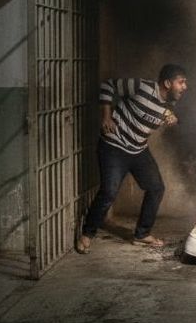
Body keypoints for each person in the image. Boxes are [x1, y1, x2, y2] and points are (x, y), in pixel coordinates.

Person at [75, 64, 188, 253]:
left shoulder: (170, 103)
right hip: (114, 146)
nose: (185, 86)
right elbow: (107, 86)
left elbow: (171, 115)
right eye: (181, 82)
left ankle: (142, 234)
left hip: (138, 149)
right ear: (168, 83)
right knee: (109, 192)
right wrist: (106, 116)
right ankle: (87, 233)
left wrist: (175, 119)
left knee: (156, 188)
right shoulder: (142, 87)